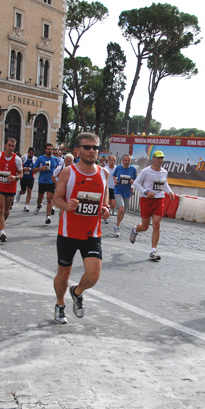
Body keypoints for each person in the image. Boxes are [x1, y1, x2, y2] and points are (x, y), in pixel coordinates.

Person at [52, 132, 110, 324]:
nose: (92, 151)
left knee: (93, 275)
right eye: (87, 147)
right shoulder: (68, 172)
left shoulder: (104, 173)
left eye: (95, 147)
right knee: (63, 274)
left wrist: (106, 209)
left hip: (92, 233)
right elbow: (56, 199)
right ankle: (60, 305)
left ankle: (77, 292)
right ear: (78, 150)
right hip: (68, 233)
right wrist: (66, 205)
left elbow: (105, 197)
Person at [130, 151, 174, 261]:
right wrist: (146, 192)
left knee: (157, 224)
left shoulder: (164, 172)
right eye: (159, 158)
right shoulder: (146, 171)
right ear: (153, 159)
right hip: (146, 200)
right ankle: (135, 230)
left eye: (162, 158)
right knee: (145, 227)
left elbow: (164, 183)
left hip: (159, 199)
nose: (161, 160)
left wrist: (169, 191)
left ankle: (153, 251)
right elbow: (136, 183)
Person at [0, 138, 23, 242]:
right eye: (9, 145)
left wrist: (16, 177)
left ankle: (2, 222)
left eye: (13, 146)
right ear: (5, 145)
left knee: (6, 211)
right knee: (0, 209)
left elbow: (21, 173)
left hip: (10, 187)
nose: (11, 148)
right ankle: (2, 231)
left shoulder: (17, 159)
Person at [32, 143, 59, 224]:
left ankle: (48, 216)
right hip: (42, 181)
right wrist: (41, 168)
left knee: (49, 199)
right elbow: (34, 170)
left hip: (51, 182)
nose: (49, 150)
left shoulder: (55, 159)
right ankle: (39, 205)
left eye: (51, 149)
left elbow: (58, 169)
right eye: (48, 149)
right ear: (45, 150)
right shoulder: (40, 158)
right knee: (40, 198)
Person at [113, 154, 137, 237]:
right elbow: (114, 175)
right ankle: (117, 226)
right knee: (121, 208)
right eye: (125, 160)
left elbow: (135, 179)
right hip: (118, 190)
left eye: (128, 160)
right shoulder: (118, 168)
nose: (127, 162)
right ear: (122, 161)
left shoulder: (133, 169)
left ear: (130, 161)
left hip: (127, 192)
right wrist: (115, 180)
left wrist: (133, 181)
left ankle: (117, 225)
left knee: (123, 211)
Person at [16, 147, 36, 211]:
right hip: (24, 177)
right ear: (28, 153)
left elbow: (36, 168)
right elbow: (19, 167)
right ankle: (19, 193)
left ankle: (26, 205)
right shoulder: (23, 158)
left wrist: (34, 170)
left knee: (29, 191)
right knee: (23, 191)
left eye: (32, 153)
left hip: (31, 177)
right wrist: (24, 169)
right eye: (30, 153)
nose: (31, 154)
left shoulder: (35, 159)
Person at [104, 154, 117, 223]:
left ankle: (106, 211)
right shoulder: (105, 168)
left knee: (113, 205)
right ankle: (106, 216)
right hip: (107, 188)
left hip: (114, 188)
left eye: (114, 160)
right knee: (108, 203)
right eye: (111, 160)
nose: (113, 161)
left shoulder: (116, 168)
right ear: (108, 160)